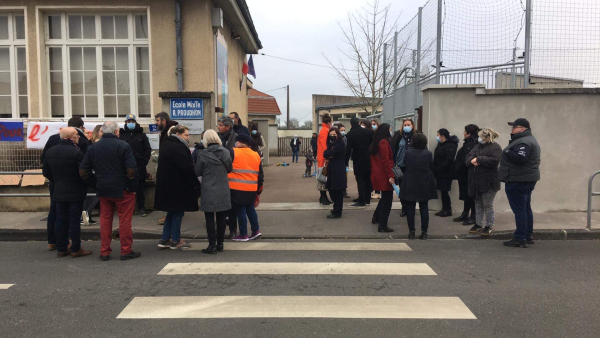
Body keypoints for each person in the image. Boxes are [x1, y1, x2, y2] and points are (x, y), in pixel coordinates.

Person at [80, 121, 141, 261]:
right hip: (123, 189)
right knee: (124, 220)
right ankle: (126, 250)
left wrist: (95, 184)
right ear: (116, 132)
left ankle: (104, 251)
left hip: (103, 189)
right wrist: (133, 187)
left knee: (105, 221)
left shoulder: (93, 147)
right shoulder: (124, 146)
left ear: (102, 132)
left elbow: (83, 171)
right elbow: (132, 170)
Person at [41, 116, 91, 251]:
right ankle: (75, 247)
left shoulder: (52, 141)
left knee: (57, 214)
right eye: (76, 135)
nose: (78, 137)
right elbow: (85, 167)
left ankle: (55, 243)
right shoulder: (81, 146)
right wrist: (85, 182)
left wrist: (55, 180)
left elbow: (45, 166)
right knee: (74, 218)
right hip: (75, 186)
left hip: (57, 185)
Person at [154, 125, 199, 250]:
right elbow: (186, 167)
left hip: (168, 185)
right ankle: (175, 240)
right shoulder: (177, 147)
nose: (188, 138)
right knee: (178, 212)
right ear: (178, 134)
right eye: (186, 135)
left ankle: (165, 239)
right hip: (177, 186)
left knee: (171, 212)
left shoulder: (167, 144)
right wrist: (194, 182)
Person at [500, 118, 541, 248]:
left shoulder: (524, 141)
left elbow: (520, 158)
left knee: (520, 210)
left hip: (518, 180)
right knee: (525, 208)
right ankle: (527, 235)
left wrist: (507, 151)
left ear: (522, 129)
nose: (512, 129)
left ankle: (520, 238)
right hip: (524, 179)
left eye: (514, 127)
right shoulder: (526, 139)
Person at [195, 129, 233, 253]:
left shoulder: (202, 153)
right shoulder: (226, 152)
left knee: (209, 218)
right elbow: (230, 169)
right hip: (223, 188)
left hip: (208, 189)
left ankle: (211, 245)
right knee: (222, 218)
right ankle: (220, 244)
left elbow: (198, 172)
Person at [465, 128, 502, 236]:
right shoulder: (477, 146)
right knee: (478, 204)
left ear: (486, 138)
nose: (479, 139)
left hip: (489, 182)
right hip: (476, 181)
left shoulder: (495, 147)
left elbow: (495, 161)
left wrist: (478, 159)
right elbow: (468, 158)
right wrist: (473, 160)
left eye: (481, 137)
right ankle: (478, 223)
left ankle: (489, 225)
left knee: (487, 204)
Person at [400, 133, 438, 240]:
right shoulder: (428, 153)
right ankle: (424, 232)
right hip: (424, 181)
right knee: (424, 208)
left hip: (410, 181)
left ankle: (411, 232)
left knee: (410, 208)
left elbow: (404, 163)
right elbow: (431, 166)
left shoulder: (408, 153)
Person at [229, 134, 264, 241]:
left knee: (240, 211)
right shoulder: (256, 155)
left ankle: (243, 234)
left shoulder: (233, 152)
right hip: (252, 188)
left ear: (239, 142)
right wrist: (259, 190)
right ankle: (255, 231)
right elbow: (260, 175)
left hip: (236, 188)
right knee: (251, 210)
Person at [119, 114, 151, 217]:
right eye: (129, 121)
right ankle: (129, 209)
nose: (131, 123)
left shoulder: (141, 134)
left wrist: (144, 161)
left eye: (132, 121)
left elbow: (147, 149)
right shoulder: (121, 134)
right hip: (125, 167)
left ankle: (141, 207)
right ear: (126, 122)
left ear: (136, 123)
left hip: (139, 166)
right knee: (127, 189)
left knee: (140, 188)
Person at [392, 118, 421, 217]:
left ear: (412, 126)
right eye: (405, 125)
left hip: (412, 166)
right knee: (402, 187)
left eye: (408, 125)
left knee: (412, 187)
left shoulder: (417, 136)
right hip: (400, 165)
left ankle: (411, 207)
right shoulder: (398, 136)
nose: (406, 127)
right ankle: (404, 207)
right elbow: (394, 149)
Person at [370, 123, 395, 232]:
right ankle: (383, 225)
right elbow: (385, 160)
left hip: (378, 174)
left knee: (384, 198)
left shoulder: (376, 142)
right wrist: (391, 175)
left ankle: (376, 216)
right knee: (387, 200)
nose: (390, 132)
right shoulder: (384, 142)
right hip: (384, 175)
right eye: (389, 130)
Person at [155, 111, 178, 226]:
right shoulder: (164, 131)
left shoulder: (171, 130)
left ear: (164, 121)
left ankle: (170, 215)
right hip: (166, 164)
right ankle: (169, 214)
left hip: (170, 166)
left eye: (158, 121)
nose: (156, 123)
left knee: (170, 192)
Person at [453, 124, 480, 225]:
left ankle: (473, 216)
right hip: (464, 174)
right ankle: (465, 213)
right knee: (466, 195)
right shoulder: (469, 143)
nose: (463, 133)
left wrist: (458, 169)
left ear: (469, 134)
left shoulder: (471, 144)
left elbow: (466, 159)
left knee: (470, 196)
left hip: (467, 174)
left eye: (465, 131)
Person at [217, 116, 239, 238]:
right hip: (219, 174)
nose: (218, 127)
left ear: (228, 127)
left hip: (232, 174)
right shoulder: (216, 137)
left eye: (220, 125)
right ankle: (219, 230)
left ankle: (232, 229)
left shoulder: (236, 138)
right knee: (220, 204)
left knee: (232, 205)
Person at [345, 116, 373, 207]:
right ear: (358, 123)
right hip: (368, 158)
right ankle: (367, 199)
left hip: (357, 158)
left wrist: (345, 162)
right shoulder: (368, 132)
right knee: (367, 179)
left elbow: (348, 149)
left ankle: (361, 200)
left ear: (351, 124)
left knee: (360, 180)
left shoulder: (350, 134)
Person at [433, 128, 459, 217]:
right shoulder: (441, 144)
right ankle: (444, 209)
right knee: (442, 191)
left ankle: (448, 210)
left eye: (438, 135)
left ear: (443, 136)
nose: (437, 137)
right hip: (440, 172)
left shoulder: (450, 145)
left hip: (446, 173)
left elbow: (449, 159)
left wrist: (440, 168)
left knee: (444, 191)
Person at [81, 125, 103, 226]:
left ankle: (87, 214)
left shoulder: (90, 143)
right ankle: (86, 213)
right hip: (95, 172)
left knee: (91, 195)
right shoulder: (95, 144)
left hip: (91, 173)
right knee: (95, 194)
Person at [324, 127, 347, 219]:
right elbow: (326, 153)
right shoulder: (331, 143)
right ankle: (335, 208)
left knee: (337, 191)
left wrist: (328, 153)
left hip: (338, 169)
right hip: (331, 169)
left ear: (338, 135)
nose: (332, 136)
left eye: (334, 135)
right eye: (331, 135)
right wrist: (328, 153)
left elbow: (331, 153)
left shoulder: (340, 143)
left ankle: (337, 212)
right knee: (331, 189)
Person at [317, 114, 334, 205]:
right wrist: (327, 156)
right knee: (323, 177)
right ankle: (323, 197)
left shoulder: (324, 130)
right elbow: (324, 145)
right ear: (328, 122)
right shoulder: (325, 131)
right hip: (323, 158)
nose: (332, 123)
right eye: (331, 122)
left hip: (322, 157)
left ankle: (323, 197)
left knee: (323, 177)